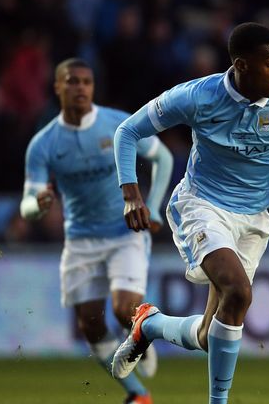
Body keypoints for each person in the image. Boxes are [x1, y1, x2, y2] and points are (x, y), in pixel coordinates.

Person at [110, 22, 269, 404]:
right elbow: (127, 132)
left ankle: (148, 324)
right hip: (203, 206)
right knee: (239, 290)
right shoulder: (197, 96)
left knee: (206, 334)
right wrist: (132, 193)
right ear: (242, 65)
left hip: (254, 219)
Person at [20, 58, 173, 404]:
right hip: (80, 241)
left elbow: (161, 157)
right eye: (72, 81)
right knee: (90, 325)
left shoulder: (116, 124)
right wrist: (38, 204)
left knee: (124, 309)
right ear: (57, 87)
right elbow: (27, 204)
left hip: (125, 234)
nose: (80, 88)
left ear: (93, 87)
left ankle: (137, 335)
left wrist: (157, 207)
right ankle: (139, 395)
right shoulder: (43, 144)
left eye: (86, 82)